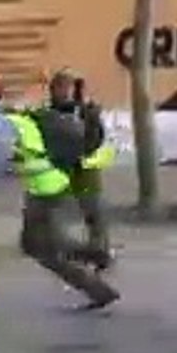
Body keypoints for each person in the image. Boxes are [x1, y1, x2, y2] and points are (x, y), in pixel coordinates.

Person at [5, 98, 120, 311]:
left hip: (48, 189)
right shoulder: (31, 120)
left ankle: (95, 265)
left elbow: (22, 159)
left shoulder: (13, 127)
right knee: (37, 246)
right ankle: (96, 274)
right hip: (46, 188)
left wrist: (14, 167)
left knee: (41, 247)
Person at [48, 70, 114, 268]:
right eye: (59, 87)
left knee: (93, 210)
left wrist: (91, 119)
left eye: (67, 87)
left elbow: (97, 137)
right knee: (54, 210)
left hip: (84, 166)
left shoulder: (85, 111)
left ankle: (100, 248)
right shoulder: (51, 113)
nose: (63, 92)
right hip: (61, 167)